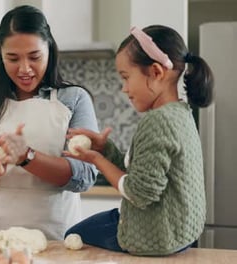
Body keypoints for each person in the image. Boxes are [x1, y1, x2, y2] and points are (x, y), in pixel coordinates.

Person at [0, 5, 99, 240]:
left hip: (53, 239)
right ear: (0, 54)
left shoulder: (74, 100)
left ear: (49, 48)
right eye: (12, 58)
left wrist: (27, 157)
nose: (24, 69)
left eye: (34, 57)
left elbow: (84, 175)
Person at [63, 25, 214, 256]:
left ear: (156, 72)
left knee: (72, 236)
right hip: (179, 235)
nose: (124, 89)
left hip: (155, 237)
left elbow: (139, 193)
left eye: (125, 77)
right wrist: (105, 150)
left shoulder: (158, 121)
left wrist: (95, 159)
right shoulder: (181, 113)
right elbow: (144, 173)